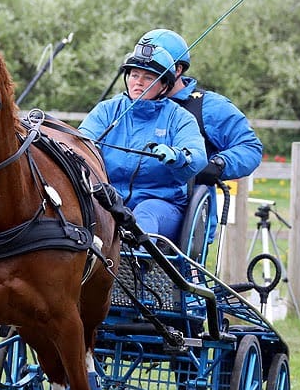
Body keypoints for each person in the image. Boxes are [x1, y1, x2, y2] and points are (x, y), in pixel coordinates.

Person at [79, 41, 207, 242]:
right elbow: (80, 145)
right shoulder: (106, 110)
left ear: (164, 85)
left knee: (144, 214)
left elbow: (197, 156)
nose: (138, 82)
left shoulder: (180, 118)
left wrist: (178, 156)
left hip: (161, 206)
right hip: (108, 201)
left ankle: (134, 269)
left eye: (148, 77)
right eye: (134, 75)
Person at [137, 28, 264, 184]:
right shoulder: (125, 105)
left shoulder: (210, 106)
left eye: (154, 70)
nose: (141, 79)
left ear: (177, 70)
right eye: (139, 70)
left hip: (184, 199)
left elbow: (250, 148)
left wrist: (217, 165)